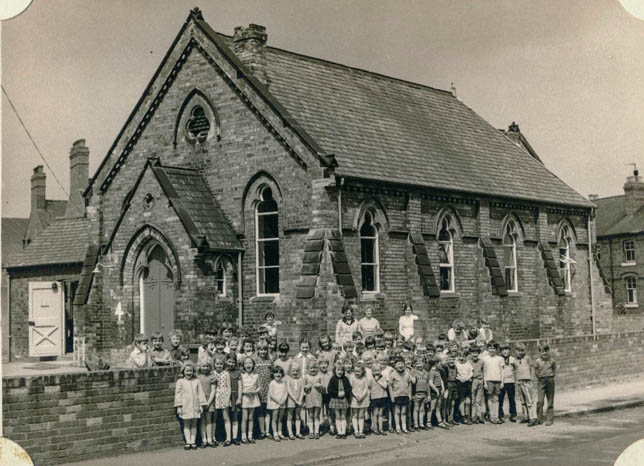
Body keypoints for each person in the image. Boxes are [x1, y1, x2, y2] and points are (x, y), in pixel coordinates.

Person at [174, 361, 207, 450]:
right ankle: (188, 442)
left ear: (193, 372)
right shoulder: (180, 382)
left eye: (190, 371)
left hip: (195, 406)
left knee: (194, 424)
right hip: (185, 406)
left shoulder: (196, 381)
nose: (189, 373)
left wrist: (201, 405)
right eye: (187, 371)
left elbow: (200, 393)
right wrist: (179, 407)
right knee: (186, 425)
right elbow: (178, 394)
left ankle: (193, 442)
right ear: (183, 371)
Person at [515, 342, 538, 427]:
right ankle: (526, 416)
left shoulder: (527, 358)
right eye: (518, 351)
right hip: (520, 381)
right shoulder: (516, 360)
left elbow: (532, 368)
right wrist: (517, 380)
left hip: (527, 381)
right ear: (515, 351)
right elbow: (516, 370)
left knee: (529, 400)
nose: (520, 352)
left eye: (522, 351)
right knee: (522, 401)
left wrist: (531, 378)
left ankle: (533, 417)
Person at [388, 355, 414, 434]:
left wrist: (409, 394)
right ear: (395, 366)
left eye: (402, 363)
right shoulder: (392, 374)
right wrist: (392, 396)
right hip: (397, 395)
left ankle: (404, 427)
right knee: (397, 412)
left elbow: (409, 384)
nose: (400, 365)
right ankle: (398, 427)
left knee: (403, 412)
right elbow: (390, 386)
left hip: (405, 395)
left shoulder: (407, 373)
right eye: (398, 364)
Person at [327, 361, 352, 439]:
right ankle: (339, 432)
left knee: (343, 416)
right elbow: (329, 389)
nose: (340, 372)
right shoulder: (332, 379)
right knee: (337, 416)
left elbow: (349, 388)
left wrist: (344, 392)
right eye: (338, 370)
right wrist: (337, 393)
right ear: (335, 371)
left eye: (341, 370)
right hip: (335, 399)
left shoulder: (345, 379)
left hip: (344, 399)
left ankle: (343, 432)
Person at [212, 354, 233, 446]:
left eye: (220, 364)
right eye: (217, 364)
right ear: (214, 364)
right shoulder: (212, 373)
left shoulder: (226, 373)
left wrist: (228, 399)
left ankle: (228, 438)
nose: (219, 366)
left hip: (224, 395)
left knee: (226, 417)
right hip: (215, 395)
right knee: (215, 417)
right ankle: (213, 437)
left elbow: (229, 388)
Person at [239, 356, 260, 444]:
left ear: (253, 365)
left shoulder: (256, 375)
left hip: (253, 397)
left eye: (250, 363)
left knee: (251, 417)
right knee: (245, 417)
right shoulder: (242, 375)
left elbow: (259, 387)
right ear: (243, 365)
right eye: (246, 363)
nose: (248, 365)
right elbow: (240, 387)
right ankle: (243, 436)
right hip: (245, 397)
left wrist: (255, 391)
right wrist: (244, 392)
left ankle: (250, 436)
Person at [534, 344, 556, 426]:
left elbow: (554, 368)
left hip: (550, 380)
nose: (544, 353)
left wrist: (552, 375)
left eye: (546, 351)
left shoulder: (552, 360)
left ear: (548, 351)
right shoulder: (538, 361)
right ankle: (539, 418)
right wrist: (539, 377)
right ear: (540, 352)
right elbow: (536, 371)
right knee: (540, 401)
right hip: (541, 380)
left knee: (550, 400)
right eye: (542, 351)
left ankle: (549, 419)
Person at [482, 342, 504, 424]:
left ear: (496, 349)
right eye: (490, 348)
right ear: (487, 349)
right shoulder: (485, 359)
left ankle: (496, 416)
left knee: (496, 398)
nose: (492, 350)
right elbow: (484, 371)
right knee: (490, 398)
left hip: (497, 380)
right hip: (489, 380)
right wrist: (485, 382)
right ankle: (491, 416)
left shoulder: (500, 358)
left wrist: (502, 382)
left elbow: (502, 371)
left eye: (494, 348)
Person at [255, 340, 273, 439]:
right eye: (261, 350)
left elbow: (273, 374)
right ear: (257, 350)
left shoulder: (270, 361)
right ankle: (261, 431)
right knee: (260, 411)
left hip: (268, 388)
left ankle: (267, 431)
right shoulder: (255, 361)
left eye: (265, 349)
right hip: (259, 389)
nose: (263, 352)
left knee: (268, 410)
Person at [197, 362, 217, 447]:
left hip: (209, 400)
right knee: (202, 420)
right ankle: (204, 440)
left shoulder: (212, 377)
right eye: (203, 366)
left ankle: (209, 439)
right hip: (200, 400)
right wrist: (201, 402)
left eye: (207, 366)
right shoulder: (197, 377)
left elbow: (213, 391)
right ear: (200, 367)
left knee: (209, 420)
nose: (205, 368)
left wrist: (209, 403)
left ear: (209, 367)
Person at [349, 360, 369, 438]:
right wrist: (356, 395)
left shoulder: (365, 378)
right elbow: (351, 388)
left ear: (362, 371)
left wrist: (362, 396)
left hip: (363, 398)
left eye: (359, 371)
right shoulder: (352, 377)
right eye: (355, 371)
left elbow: (366, 388)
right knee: (355, 414)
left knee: (361, 415)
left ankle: (361, 431)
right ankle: (356, 431)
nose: (357, 373)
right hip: (355, 398)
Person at [267, 366, 288, 441]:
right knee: (274, 418)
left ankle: (280, 433)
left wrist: (283, 400)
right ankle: (275, 433)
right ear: (273, 374)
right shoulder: (272, 383)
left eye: (280, 373)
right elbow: (271, 394)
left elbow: (286, 392)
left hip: (282, 403)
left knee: (280, 419)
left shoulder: (283, 382)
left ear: (282, 374)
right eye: (276, 373)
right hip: (275, 403)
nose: (278, 374)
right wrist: (278, 401)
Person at [304, 359, 323, 439]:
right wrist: (306, 387)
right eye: (311, 368)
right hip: (309, 397)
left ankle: (316, 431)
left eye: (315, 368)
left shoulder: (319, 376)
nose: (313, 370)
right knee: (310, 415)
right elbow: (303, 388)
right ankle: (311, 431)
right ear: (308, 369)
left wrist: (320, 386)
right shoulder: (306, 377)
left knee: (316, 415)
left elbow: (323, 388)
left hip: (318, 397)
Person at [225, 353, 241, 445]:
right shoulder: (224, 371)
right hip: (226, 396)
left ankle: (234, 437)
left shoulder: (238, 372)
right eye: (229, 362)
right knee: (226, 417)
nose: (231, 364)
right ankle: (228, 438)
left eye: (233, 362)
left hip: (235, 396)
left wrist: (239, 398)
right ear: (226, 361)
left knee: (235, 417)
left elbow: (240, 386)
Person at [498, 343, 518, 422]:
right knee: (500, 399)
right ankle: (500, 415)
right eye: (503, 350)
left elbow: (516, 369)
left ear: (509, 350)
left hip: (510, 381)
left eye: (506, 349)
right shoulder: (499, 359)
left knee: (511, 398)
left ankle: (513, 414)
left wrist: (515, 378)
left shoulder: (513, 359)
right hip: (502, 381)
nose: (505, 351)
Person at [286, 364, 305, 440]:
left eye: (297, 371)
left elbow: (302, 390)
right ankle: (290, 433)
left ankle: (298, 432)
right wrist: (295, 400)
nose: (295, 372)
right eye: (293, 371)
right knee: (290, 416)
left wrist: (300, 399)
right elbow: (289, 391)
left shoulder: (301, 380)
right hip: (291, 400)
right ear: (290, 371)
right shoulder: (289, 380)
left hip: (299, 400)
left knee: (298, 416)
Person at [369, 363, 389, 435]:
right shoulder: (371, 378)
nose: (377, 372)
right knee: (375, 414)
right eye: (375, 371)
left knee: (380, 414)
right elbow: (369, 388)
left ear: (381, 370)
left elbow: (385, 386)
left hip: (382, 397)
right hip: (375, 398)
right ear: (372, 371)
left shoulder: (383, 377)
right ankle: (375, 428)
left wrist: (378, 381)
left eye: (378, 370)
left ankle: (381, 428)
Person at [428, 357, 447, 429]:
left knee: (438, 407)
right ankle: (428, 422)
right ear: (436, 364)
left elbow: (441, 380)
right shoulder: (432, 372)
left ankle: (440, 421)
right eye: (439, 363)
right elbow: (430, 383)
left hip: (439, 389)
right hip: (434, 391)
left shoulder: (438, 371)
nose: (440, 364)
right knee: (432, 407)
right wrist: (436, 390)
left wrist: (442, 388)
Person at [455, 351, 473, 424]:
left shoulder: (468, 363)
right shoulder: (456, 364)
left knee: (468, 401)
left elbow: (472, 372)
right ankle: (462, 416)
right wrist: (460, 378)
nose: (461, 358)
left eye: (463, 356)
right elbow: (455, 373)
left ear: (466, 357)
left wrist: (467, 378)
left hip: (467, 383)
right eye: (460, 356)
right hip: (460, 383)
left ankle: (467, 415)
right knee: (462, 400)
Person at [412, 357, 429, 430]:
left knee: (422, 409)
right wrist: (412, 394)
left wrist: (428, 395)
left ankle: (421, 424)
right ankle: (416, 424)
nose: (419, 365)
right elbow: (411, 384)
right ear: (415, 364)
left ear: (423, 363)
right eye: (417, 363)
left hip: (424, 393)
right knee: (416, 409)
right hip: (416, 393)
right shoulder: (413, 372)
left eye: (421, 363)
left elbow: (428, 384)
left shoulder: (426, 372)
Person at [469, 346, 485, 424]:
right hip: (472, 381)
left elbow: (483, 371)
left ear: (478, 353)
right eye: (473, 353)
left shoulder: (481, 361)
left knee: (478, 400)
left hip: (480, 380)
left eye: (476, 353)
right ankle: (473, 416)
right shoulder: (469, 362)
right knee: (473, 399)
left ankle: (479, 415)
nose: (474, 354)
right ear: (470, 353)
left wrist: (482, 381)